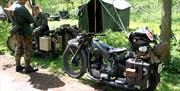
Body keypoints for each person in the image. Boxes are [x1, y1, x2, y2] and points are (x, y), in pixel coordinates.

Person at [10, 0, 38, 73]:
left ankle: (18, 66)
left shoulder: (12, 7)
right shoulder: (21, 8)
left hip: (16, 32)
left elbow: (10, 20)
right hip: (25, 32)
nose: (25, 2)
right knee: (28, 48)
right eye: (25, 1)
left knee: (18, 47)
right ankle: (27, 67)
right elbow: (32, 20)